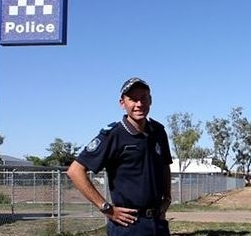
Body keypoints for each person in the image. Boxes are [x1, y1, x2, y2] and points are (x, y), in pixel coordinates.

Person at [67, 77, 173, 236]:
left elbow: (165, 165)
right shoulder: (113, 134)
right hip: (128, 225)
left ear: (150, 100)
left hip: (157, 223)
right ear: (122, 103)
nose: (139, 104)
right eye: (132, 99)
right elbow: (75, 171)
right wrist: (106, 208)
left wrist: (167, 198)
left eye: (143, 98)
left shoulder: (158, 132)